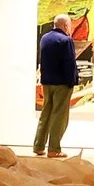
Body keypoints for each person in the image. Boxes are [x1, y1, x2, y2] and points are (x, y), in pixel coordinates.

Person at [33, 14, 77, 157]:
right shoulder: (66, 40)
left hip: (47, 82)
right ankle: (54, 149)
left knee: (45, 113)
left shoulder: (45, 38)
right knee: (59, 116)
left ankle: (38, 146)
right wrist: (72, 82)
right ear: (65, 26)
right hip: (62, 83)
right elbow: (70, 63)